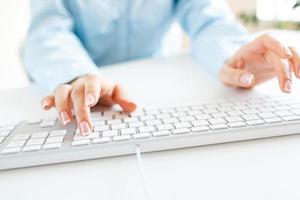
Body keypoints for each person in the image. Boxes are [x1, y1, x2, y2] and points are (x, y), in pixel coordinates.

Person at [23, 0, 300, 135]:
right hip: (87, 94)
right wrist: (79, 75)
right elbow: (47, 33)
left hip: (156, 92)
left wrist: (233, 59)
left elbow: (209, 20)